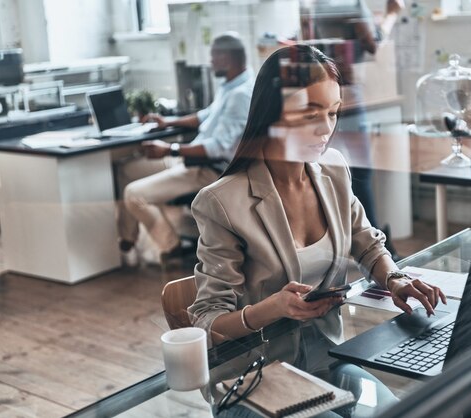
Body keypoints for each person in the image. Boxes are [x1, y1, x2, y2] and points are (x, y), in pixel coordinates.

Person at [188, 45, 445, 417]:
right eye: (310, 114)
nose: (326, 128)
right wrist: (274, 308)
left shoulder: (334, 168)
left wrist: (395, 278)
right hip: (254, 379)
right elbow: (207, 322)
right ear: (273, 116)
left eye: (333, 112)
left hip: (327, 362)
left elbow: (365, 242)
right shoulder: (221, 202)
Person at [115, 32, 254, 265]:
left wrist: (169, 149)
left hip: (207, 169)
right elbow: (204, 116)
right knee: (126, 168)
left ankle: (170, 244)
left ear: (226, 58)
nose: (210, 63)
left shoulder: (241, 95)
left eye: (213, 57)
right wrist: (167, 122)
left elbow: (218, 148)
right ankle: (128, 235)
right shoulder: (231, 86)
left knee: (133, 194)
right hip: (189, 157)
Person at [299, 0, 405, 260]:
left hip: (326, 89)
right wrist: (391, 15)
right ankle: (377, 248)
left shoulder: (319, 6)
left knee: (341, 173)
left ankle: (360, 244)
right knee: (360, 174)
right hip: (349, 97)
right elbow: (372, 44)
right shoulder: (352, 4)